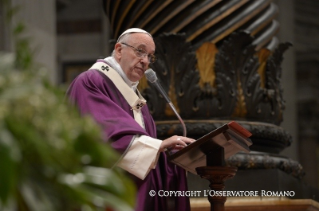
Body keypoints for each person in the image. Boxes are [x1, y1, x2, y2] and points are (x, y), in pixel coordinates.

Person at [67, 28, 194, 211]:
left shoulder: (134, 98)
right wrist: (158, 146)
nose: (145, 61)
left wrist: (172, 156)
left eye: (150, 56)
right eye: (140, 51)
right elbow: (104, 136)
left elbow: (147, 157)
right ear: (119, 50)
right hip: (106, 196)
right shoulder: (91, 82)